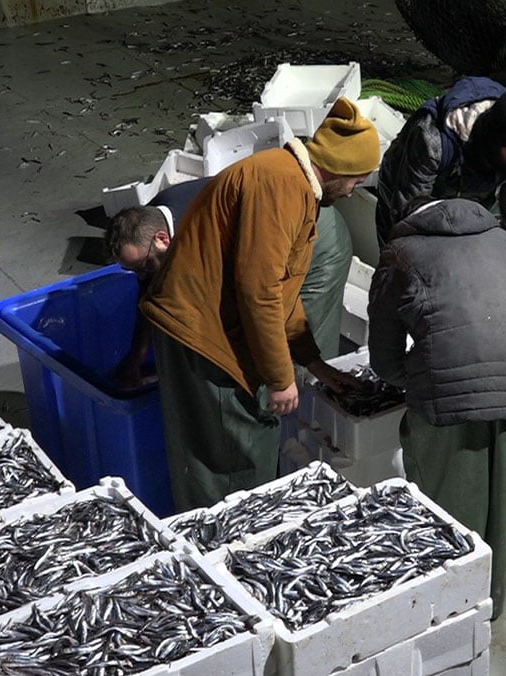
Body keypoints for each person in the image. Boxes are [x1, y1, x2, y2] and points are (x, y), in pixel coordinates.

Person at [139, 97, 379, 511]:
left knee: (223, 456)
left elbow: (283, 290)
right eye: (357, 179)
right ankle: (223, 557)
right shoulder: (281, 186)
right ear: (339, 168)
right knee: (231, 466)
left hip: (206, 324)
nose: (355, 189)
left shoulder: (294, 185)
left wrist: (313, 362)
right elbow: (260, 290)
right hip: (203, 337)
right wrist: (281, 377)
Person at [367, 197, 506, 619]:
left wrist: (416, 377)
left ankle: (452, 612)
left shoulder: (400, 253)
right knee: (502, 496)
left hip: (447, 398)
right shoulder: (503, 241)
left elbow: (384, 358)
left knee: (449, 502)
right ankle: (491, 604)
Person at [107, 179, 353, 387]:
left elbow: (253, 298)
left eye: (144, 266)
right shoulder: (146, 225)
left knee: (295, 346)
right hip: (261, 242)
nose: (142, 274)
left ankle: (310, 413)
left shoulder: (200, 237)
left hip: (313, 236)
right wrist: (136, 358)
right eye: (134, 270)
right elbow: (149, 294)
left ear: (162, 239)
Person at [375, 78, 506, 273]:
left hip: (474, 190)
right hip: (405, 187)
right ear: (495, 141)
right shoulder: (432, 142)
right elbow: (408, 221)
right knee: (401, 261)